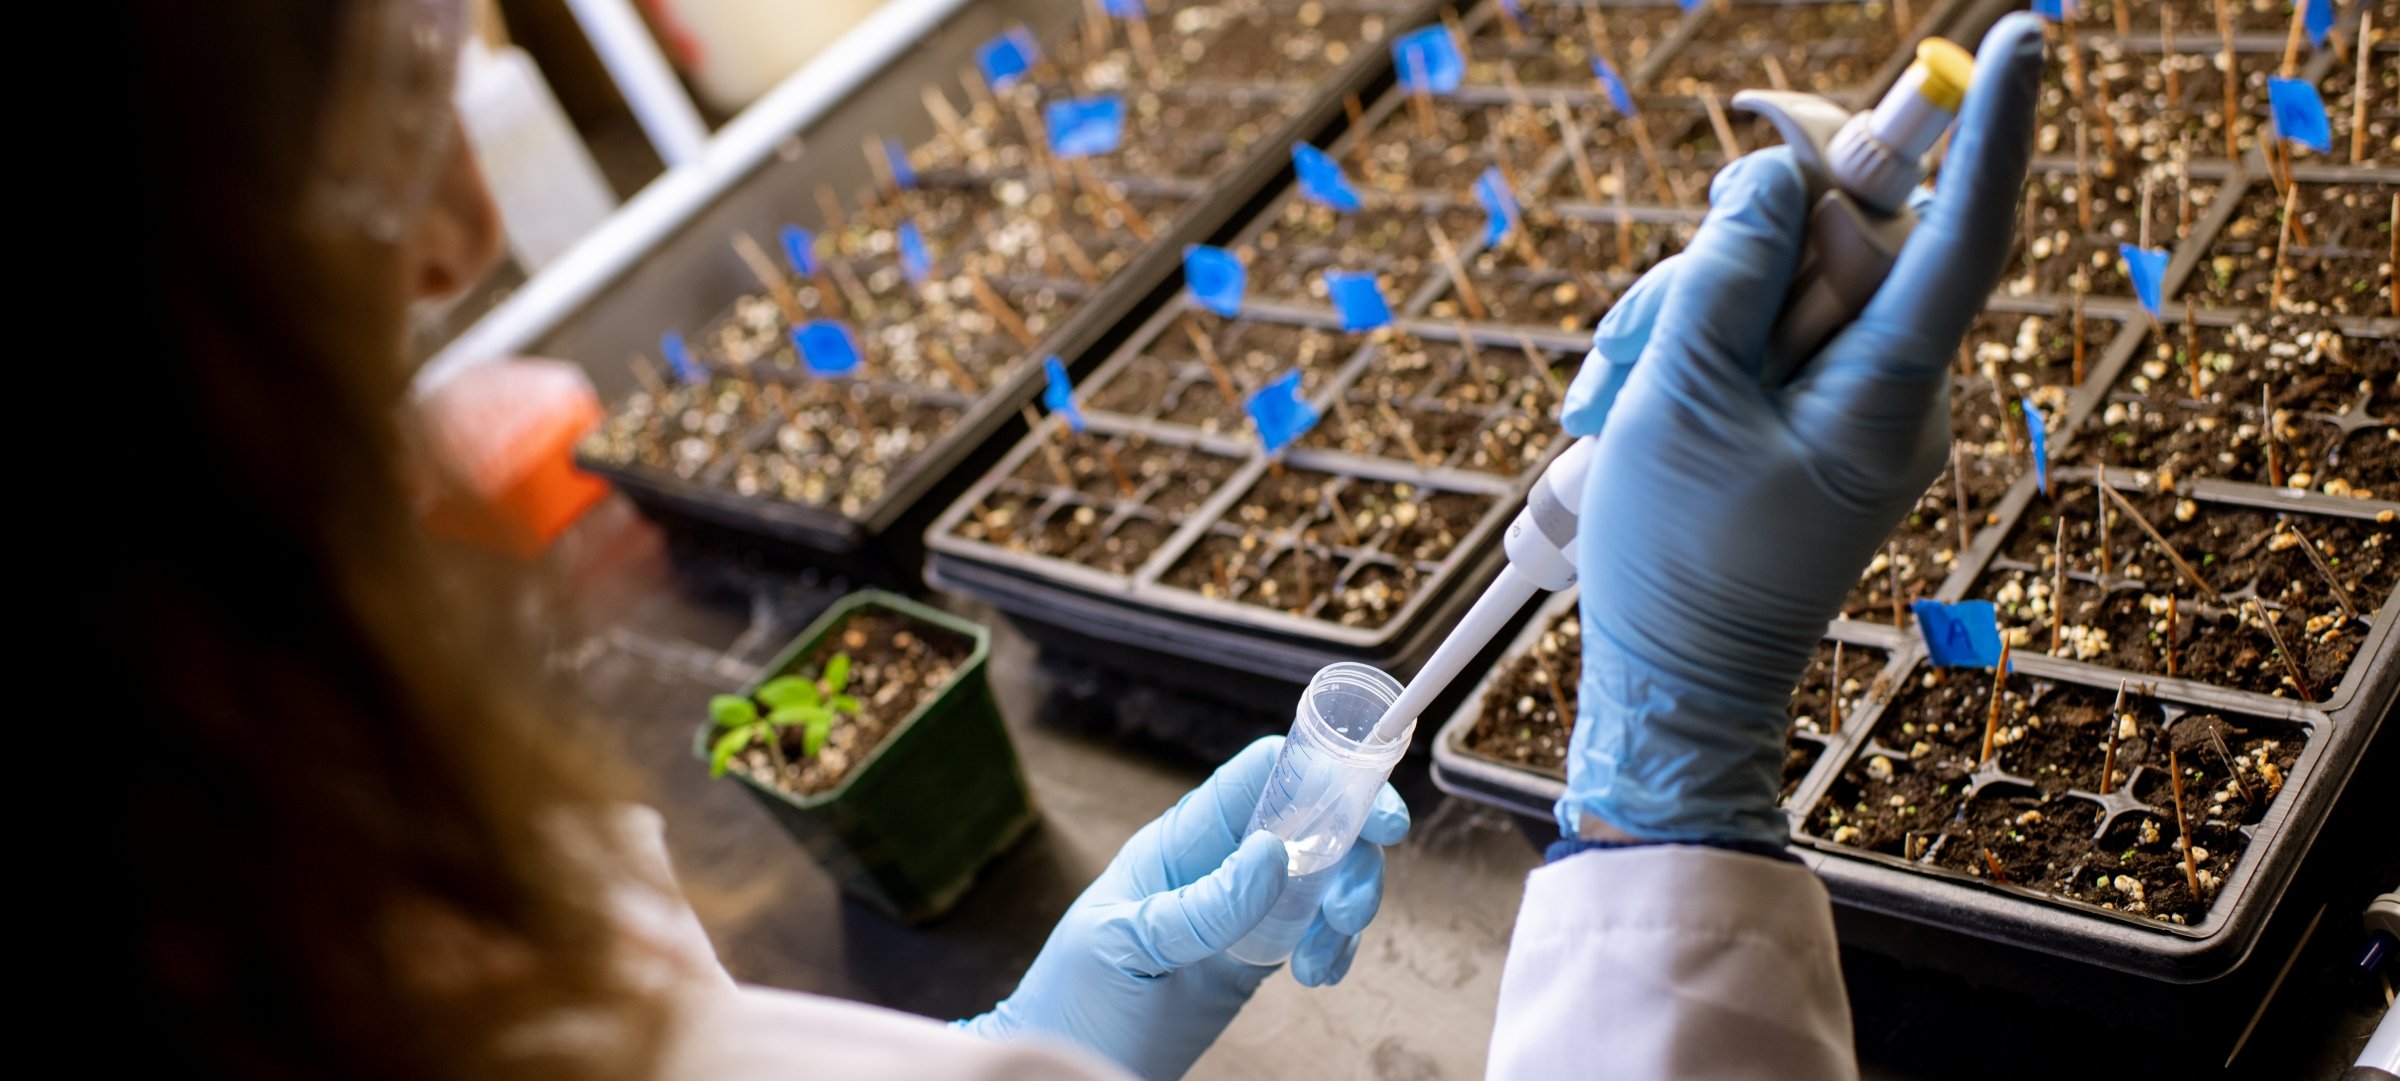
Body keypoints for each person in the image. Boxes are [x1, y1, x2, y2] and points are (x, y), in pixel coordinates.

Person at [104, 0, 2042, 1078]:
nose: (457, 237)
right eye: (373, 138)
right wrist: (1666, 779)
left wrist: (1044, 1045)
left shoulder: (275, 865)